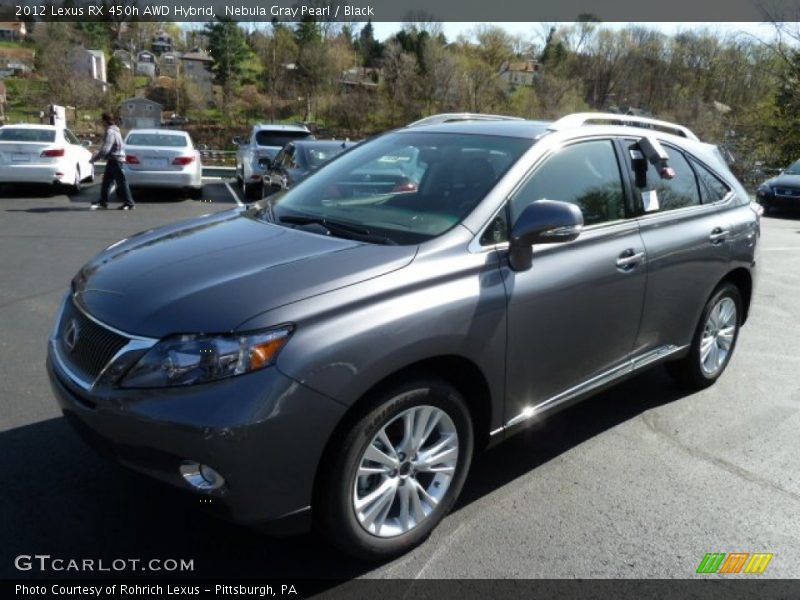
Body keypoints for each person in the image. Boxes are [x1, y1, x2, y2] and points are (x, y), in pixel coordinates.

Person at [90, 113, 135, 210]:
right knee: (106, 182)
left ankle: (129, 203)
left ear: (105, 121)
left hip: (116, 160)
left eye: (102, 121)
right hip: (113, 160)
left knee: (121, 182)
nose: (102, 123)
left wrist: (94, 159)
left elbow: (106, 149)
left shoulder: (111, 132)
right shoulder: (115, 130)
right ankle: (103, 202)